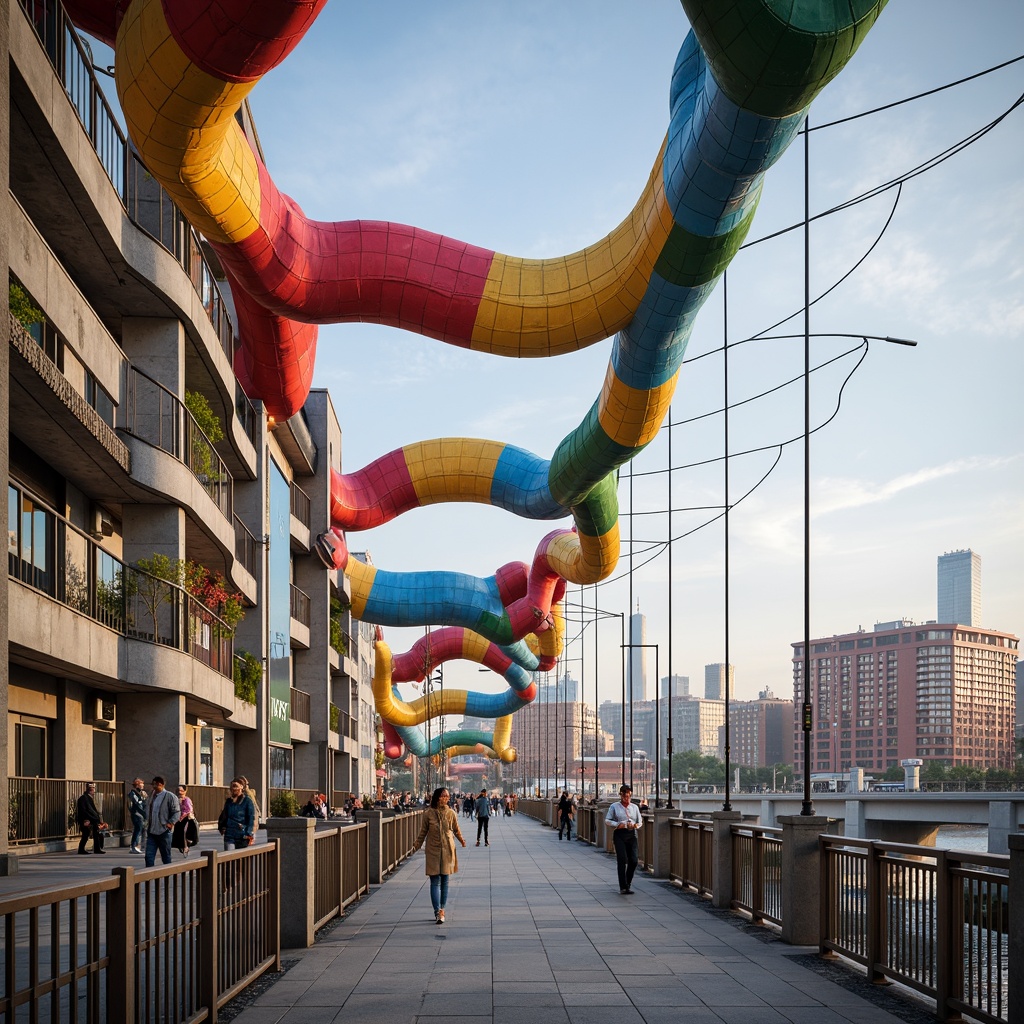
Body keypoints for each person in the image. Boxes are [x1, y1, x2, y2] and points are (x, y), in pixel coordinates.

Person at [411, 787, 465, 925]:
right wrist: (417, 844)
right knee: (435, 881)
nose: (445, 798)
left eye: (447, 796)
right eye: (443, 796)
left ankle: (442, 909)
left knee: (445, 880)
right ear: (436, 797)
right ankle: (436, 911)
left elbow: (456, 829)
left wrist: (461, 840)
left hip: (447, 849)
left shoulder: (451, 813)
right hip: (433, 850)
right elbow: (423, 831)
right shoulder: (428, 813)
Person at [604, 784, 643, 894]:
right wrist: (617, 824)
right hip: (619, 834)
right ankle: (623, 886)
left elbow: (640, 822)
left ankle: (628, 882)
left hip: (631, 834)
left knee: (634, 860)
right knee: (622, 859)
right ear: (621, 795)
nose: (627, 799)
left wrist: (635, 825)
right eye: (625, 796)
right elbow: (607, 820)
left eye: (629, 796)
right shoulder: (614, 806)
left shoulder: (634, 807)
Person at [145, 776, 180, 866]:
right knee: (148, 856)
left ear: (162, 785)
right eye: (153, 784)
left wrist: (170, 823)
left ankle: (168, 875)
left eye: (156, 785)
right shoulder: (151, 796)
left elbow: (176, 812)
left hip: (164, 831)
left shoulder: (170, 796)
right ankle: (149, 876)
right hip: (152, 831)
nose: (154, 787)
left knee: (166, 856)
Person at [218, 777, 256, 850]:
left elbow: (250, 818)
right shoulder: (229, 801)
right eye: (232, 787)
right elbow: (224, 815)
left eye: (236, 786)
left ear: (242, 787)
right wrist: (222, 827)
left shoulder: (247, 801)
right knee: (229, 857)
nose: (233, 789)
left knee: (241, 859)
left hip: (242, 835)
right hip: (229, 834)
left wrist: (248, 832)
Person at [76, 783, 107, 855]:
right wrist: (86, 820)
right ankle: (81, 850)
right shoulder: (83, 798)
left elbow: (92, 810)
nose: (94, 791)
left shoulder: (88, 798)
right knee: (86, 834)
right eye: (93, 789)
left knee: (95, 834)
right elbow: (84, 811)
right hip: (87, 820)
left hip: (92, 819)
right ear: (90, 790)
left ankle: (97, 849)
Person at [172, 785, 199, 857]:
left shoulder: (187, 800)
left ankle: (186, 846)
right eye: (178, 791)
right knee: (176, 831)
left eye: (181, 791)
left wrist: (182, 816)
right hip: (178, 818)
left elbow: (188, 810)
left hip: (187, 818)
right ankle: (179, 844)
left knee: (184, 831)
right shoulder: (176, 800)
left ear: (185, 791)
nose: (179, 792)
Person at [127, 778, 148, 853]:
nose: (143, 785)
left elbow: (145, 803)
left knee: (142, 830)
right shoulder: (133, 793)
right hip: (137, 814)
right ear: (137, 785)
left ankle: (140, 846)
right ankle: (134, 846)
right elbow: (137, 804)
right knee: (138, 829)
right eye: (141, 784)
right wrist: (145, 814)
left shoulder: (141, 793)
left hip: (141, 814)